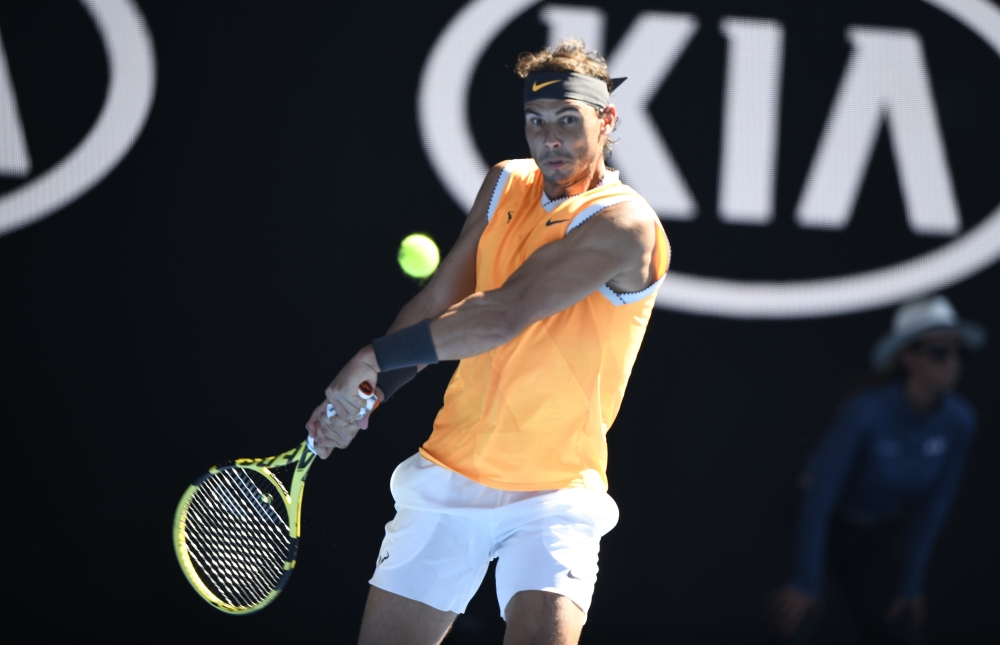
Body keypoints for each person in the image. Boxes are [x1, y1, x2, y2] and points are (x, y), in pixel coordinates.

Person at [306, 39, 669, 645]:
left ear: (607, 120)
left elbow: (502, 314)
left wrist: (371, 357)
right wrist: (369, 393)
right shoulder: (506, 183)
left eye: (568, 120)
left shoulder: (625, 225)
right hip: (448, 471)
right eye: (535, 121)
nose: (549, 139)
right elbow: (437, 304)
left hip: (555, 495)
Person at [768, 295, 987, 644]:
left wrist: (911, 584)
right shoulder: (865, 412)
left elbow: (934, 509)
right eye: (939, 353)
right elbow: (820, 497)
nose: (952, 363)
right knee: (795, 621)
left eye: (958, 353)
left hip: (872, 538)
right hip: (815, 522)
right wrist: (806, 580)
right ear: (908, 357)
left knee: (900, 629)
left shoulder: (960, 422)